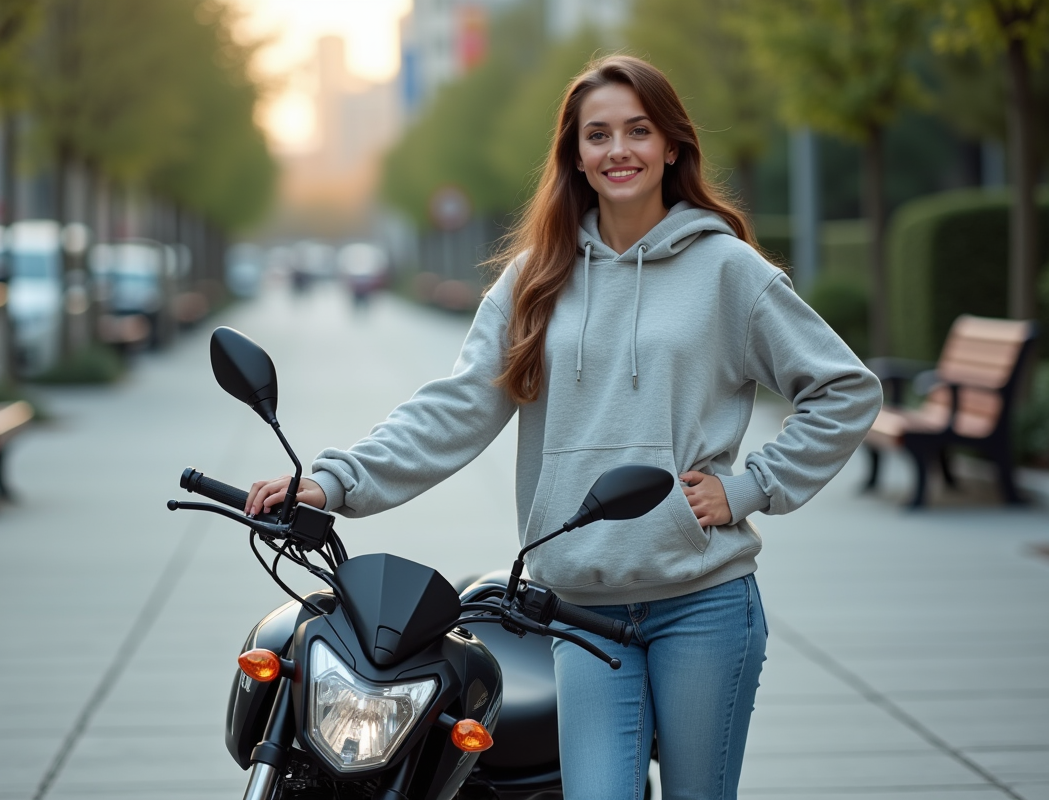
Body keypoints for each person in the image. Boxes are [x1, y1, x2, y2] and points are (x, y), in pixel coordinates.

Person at [246, 55, 882, 799]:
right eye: (598, 134)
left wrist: (749, 489)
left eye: (639, 131)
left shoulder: (726, 271)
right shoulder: (537, 276)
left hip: (703, 604)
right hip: (579, 611)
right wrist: (332, 481)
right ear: (574, 155)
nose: (620, 151)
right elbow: (458, 407)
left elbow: (844, 388)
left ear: (671, 145)